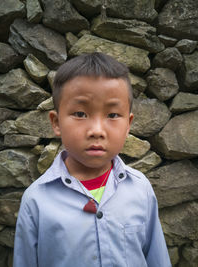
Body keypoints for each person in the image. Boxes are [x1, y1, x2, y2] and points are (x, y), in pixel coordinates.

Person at [13, 52, 171, 267]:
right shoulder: (36, 200)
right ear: (56, 122)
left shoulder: (140, 189)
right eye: (80, 113)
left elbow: (156, 258)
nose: (97, 130)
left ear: (128, 125)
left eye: (113, 115)